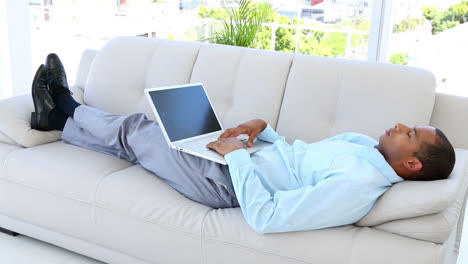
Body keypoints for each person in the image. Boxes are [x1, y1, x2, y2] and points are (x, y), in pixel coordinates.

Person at [30, 54, 456, 234]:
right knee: (140, 143)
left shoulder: (358, 187)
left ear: (413, 166)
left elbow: (269, 217)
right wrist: (263, 130)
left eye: (411, 133)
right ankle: (55, 119)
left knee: (140, 130)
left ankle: (63, 102)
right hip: (245, 157)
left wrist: (236, 160)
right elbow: (295, 158)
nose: (401, 125)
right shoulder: (362, 145)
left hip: (224, 183)